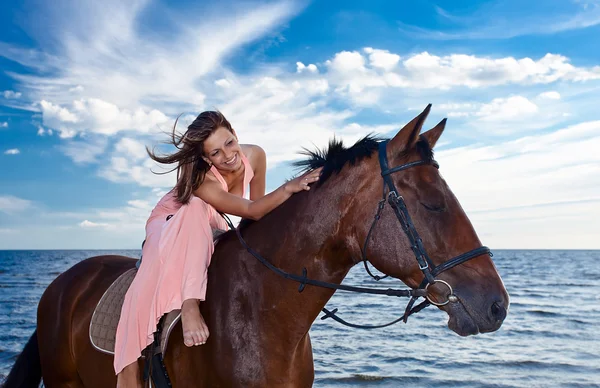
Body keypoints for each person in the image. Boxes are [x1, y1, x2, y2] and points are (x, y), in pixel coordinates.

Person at [114, 111, 322, 387]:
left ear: (235, 134)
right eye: (216, 152)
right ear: (205, 159)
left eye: (230, 143)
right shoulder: (201, 181)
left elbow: (255, 216)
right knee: (195, 208)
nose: (227, 155)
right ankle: (189, 307)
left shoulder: (256, 155)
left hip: (212, 223)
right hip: (170, 221)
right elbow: (250, 208)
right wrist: (289, 188)